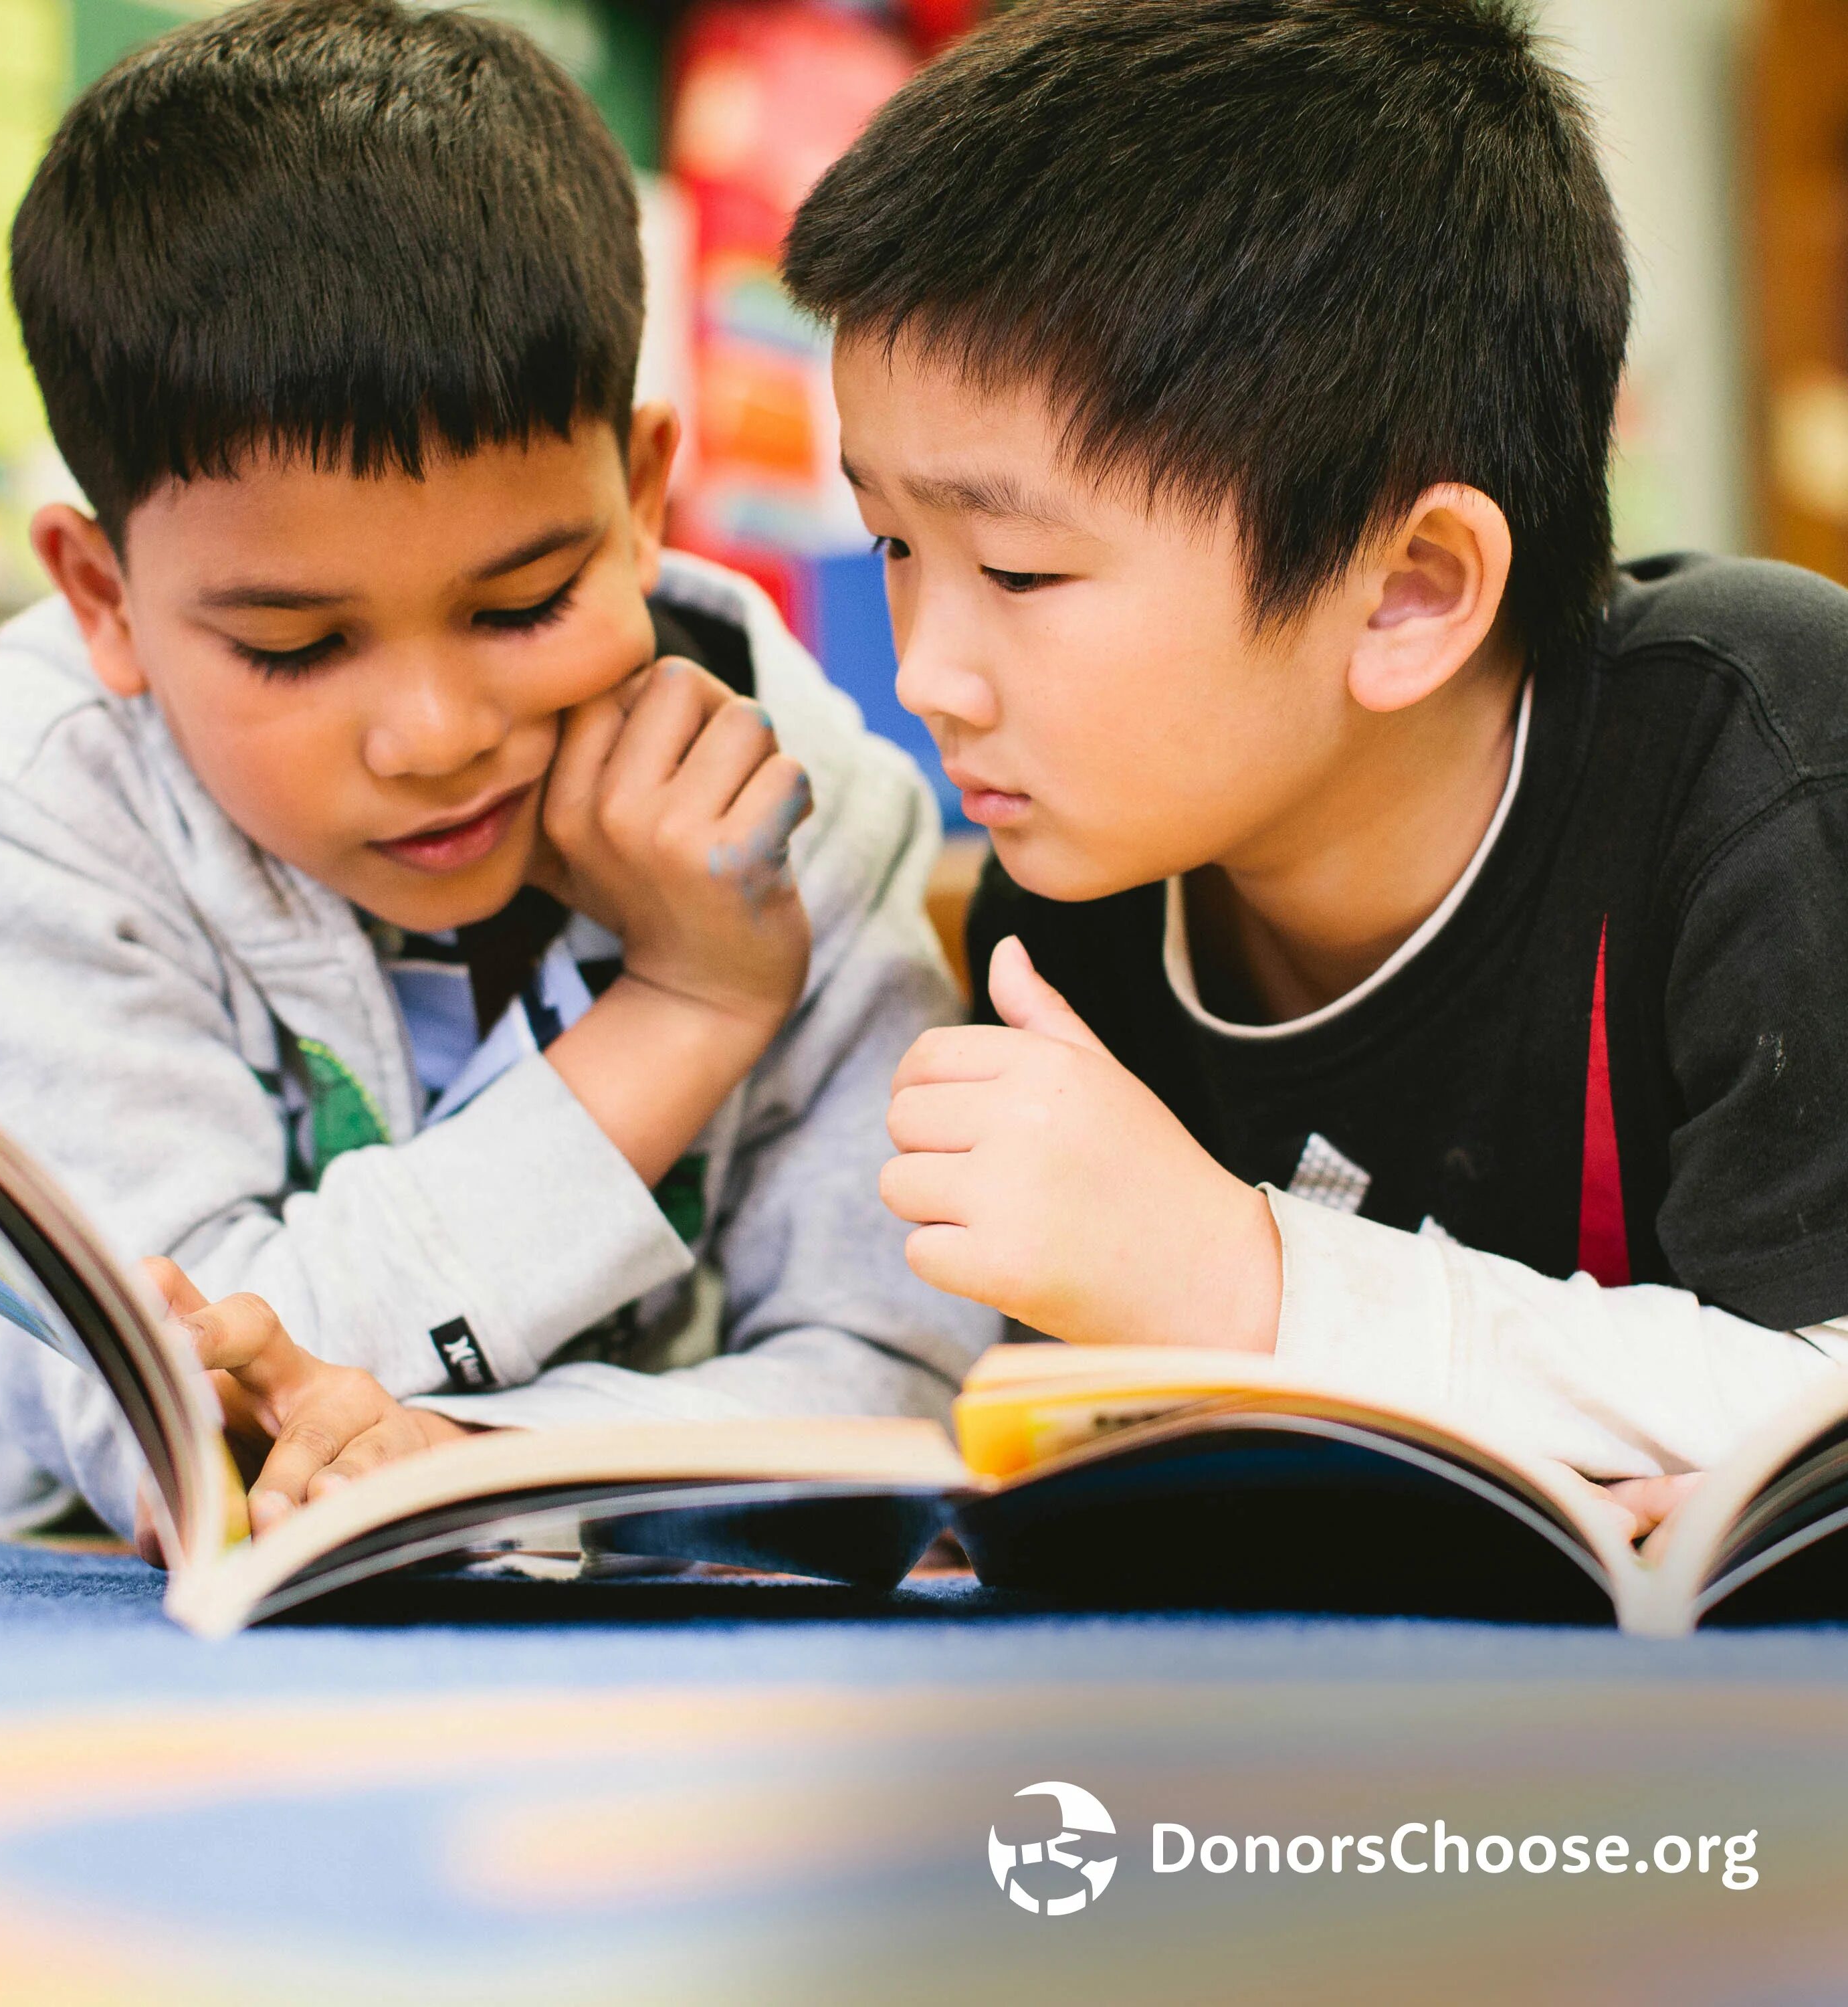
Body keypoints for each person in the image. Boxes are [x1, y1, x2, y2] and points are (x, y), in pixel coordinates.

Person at [0, 0, 993, 1547]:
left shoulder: (795, 802)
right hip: (48, 1599)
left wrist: (468, 1454)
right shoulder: (22, 809)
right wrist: (684, 1014)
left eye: (524, 604)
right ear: (104, 598)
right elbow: (168, 1421)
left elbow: (907, 1387)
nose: (434, 735)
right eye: (296, 646)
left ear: (646, 498)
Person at [782, 0, 1848, 1530]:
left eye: (1015, 572)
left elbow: (1820, 1403)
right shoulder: (1077, 901)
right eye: (893, 544)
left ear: (1409, 589)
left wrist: (1238, 1277)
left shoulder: (1762, 757)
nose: (925, 675)